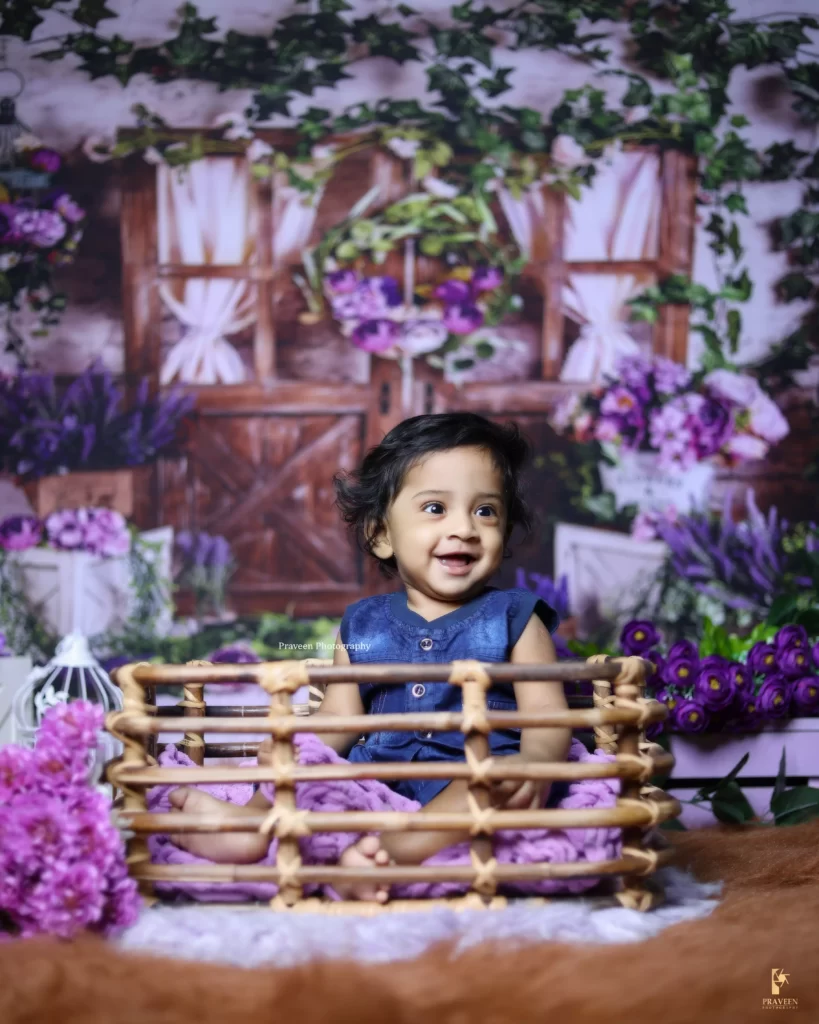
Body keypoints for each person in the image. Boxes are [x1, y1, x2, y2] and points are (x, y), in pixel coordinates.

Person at [167, 412, 571, 901]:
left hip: (472, 777)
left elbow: (548, 715)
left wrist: (535, 762)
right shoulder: (362, 624)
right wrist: (297, 747)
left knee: (492, 778)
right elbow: (340, 717)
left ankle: (386, 856)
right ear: (382, 536)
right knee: (305, 761)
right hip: (376, 776)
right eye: (436, 508)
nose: (465, 528)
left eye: (486, 511)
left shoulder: (516, 617)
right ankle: (249, 825)